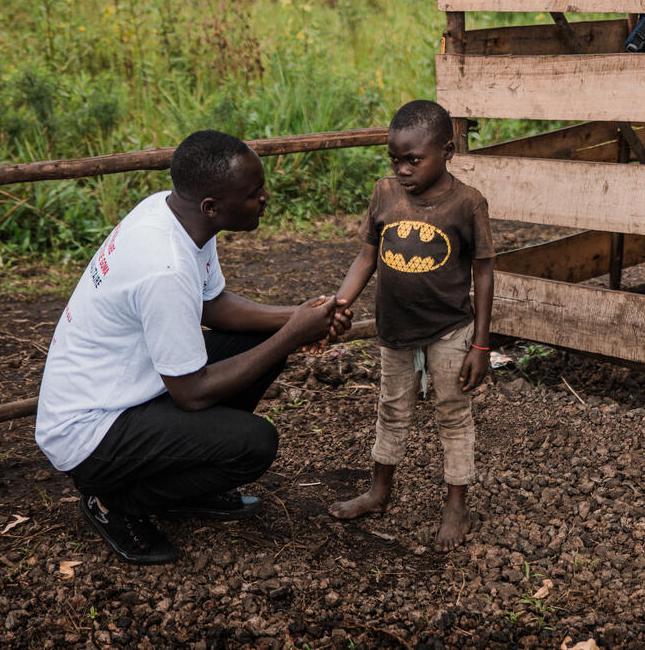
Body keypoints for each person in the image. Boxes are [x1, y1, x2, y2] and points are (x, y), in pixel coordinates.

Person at [35, 130, 349, 565]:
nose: (265, 198)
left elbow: (213, 304)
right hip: (89, 430)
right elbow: (192, 391)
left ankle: (185, 485)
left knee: (259, 340)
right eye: (254, 192)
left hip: (127, 393)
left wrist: (297, 315)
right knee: (255, 444)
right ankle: (114, 501)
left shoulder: (174, 213)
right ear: (212, 206)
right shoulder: (164, 267)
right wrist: (292, 335)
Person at [330, 99, 495, 552]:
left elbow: (483, 271)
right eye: (395, 159)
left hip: (449, 330)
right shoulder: (385, 195)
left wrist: (480, 345)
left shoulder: (467, 204)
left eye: (413, 159)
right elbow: (366, 255)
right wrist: (341, 303)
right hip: (395, 329)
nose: (402, 169)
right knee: (392, 407)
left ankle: (456, 503)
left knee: (452, 412)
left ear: (448, 149)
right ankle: (379, 491)